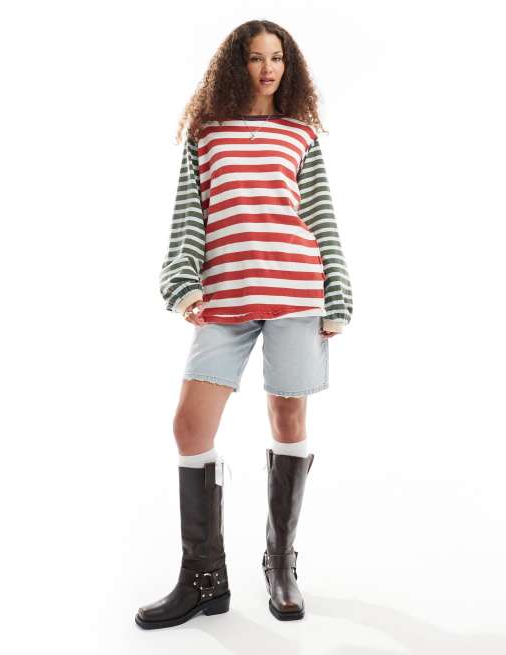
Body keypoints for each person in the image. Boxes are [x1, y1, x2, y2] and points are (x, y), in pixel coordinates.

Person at [135, 19, 353, 629]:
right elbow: (189, 218)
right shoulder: (206, 136)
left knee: (288, 421)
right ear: (238, 65)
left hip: (295, 292)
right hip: (225, 299)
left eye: (277, 57)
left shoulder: (300, 135)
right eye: (256, 58)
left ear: (289, 65)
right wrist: (184, 287)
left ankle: (280, 563)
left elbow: (321, 218)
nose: (267, 68)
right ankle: (204, 578)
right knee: (189, 426)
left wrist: (337, 293)